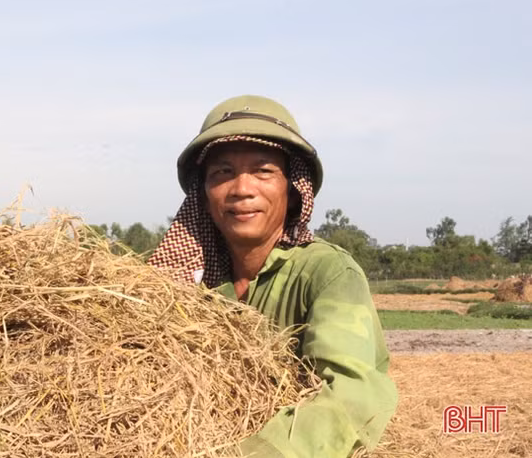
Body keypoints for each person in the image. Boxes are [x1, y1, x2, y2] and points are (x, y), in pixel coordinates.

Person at [149, 95, 397, 458]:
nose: (242, 189)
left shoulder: (327, 273)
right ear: (203, 194)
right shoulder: (182, 285)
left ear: (294, 189)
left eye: (263, 171)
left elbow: (351, 395)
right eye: (222, 172)